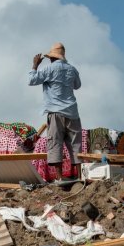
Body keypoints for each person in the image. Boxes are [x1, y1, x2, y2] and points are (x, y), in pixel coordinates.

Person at [28, 42, 82, 181]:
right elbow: (77, 85)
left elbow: (32, 80)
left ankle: (59, 178)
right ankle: (80, 177)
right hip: (72, 112)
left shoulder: (49, 69)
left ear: (52, 57)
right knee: (75, 145)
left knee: (55, 143)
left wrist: (35, 65)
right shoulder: (72, 69)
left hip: (55, 112)